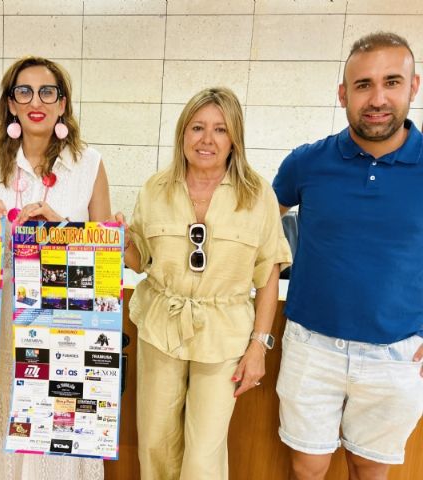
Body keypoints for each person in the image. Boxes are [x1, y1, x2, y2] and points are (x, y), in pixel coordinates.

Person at [119, 87, 292, 479]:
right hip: (161, 326)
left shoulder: (257, 195)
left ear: (234, 139)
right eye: (197, 127)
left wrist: (259, 346)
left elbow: (268, 274)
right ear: (183, 133)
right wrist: (123, 241)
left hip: (224, 334)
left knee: (203, 455)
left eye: (220, 129)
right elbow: (141, 261)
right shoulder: (155, 189)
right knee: (155, 444)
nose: (207, 139)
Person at [273, 31, 423, 480]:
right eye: (363, 85)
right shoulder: (306, 163)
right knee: (307, 467)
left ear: (413, 86)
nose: (377, 99)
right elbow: (255, 229)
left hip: (397, 353)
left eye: (391, 82)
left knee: (369, 469)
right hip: (311, 345)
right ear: (343, 94)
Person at [0, 56, 111, 479]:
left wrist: (63, 229)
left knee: (60, 415)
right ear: (11, 104)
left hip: (65, 313)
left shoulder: (89, 164)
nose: (36, 101)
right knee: (11, 414)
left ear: (62, 103)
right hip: (5, 315)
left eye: (47, 92)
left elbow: (106, 257)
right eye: (24, 91)